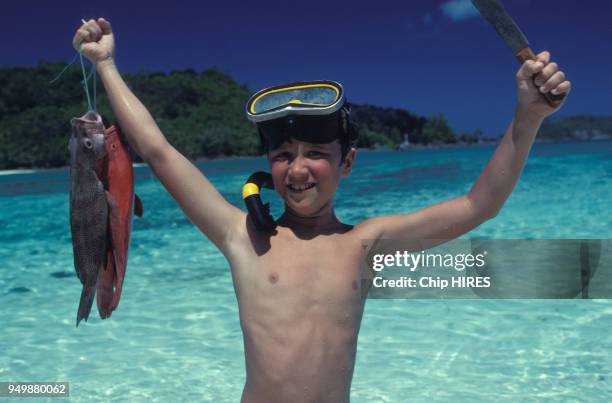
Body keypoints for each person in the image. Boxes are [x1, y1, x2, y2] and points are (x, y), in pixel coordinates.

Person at [73, 17, 571, 403]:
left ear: (347, 162)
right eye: (283, 154)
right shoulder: (242, 236)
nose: (297, 168)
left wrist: (527, 117)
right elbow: (159, 153)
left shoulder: (364, 244)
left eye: (315, 153)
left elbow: (478, 205)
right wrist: (107, 65)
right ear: (269, 164)